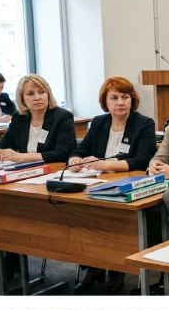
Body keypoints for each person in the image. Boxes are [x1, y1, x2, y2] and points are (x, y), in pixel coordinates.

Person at [0, 74, 77, 283]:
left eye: (41, 92)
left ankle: (11, 256)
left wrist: (23, 157)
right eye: (30, 93)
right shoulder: (20, 117)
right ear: (22, 99)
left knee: (13, 205)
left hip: (47, 178)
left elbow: (63, 152)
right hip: (20, 177)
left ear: (48, 94)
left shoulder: (62, 116)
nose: (37, 97)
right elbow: (4, 143)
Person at [67, 76, 157, 295]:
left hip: (126, 185)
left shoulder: (144, 123)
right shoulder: (99, 122)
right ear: (105, 102)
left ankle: (116, 270)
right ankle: (95, 265)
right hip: (95, 183)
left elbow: (142, 160)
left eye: (125, 97)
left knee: (113, 219)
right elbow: (80, 149)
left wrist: (106, 164)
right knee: (84, 215)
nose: (120, 102)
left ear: (132, 100)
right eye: (114, 98)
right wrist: (75, 160)